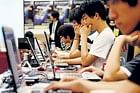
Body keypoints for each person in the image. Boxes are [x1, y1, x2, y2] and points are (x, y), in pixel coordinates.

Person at [45, 0, 140, 93]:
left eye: (85, 18)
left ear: (96, 16)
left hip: (100, 79)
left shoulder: (106, 35)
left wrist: (83, 36)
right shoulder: (98, 35)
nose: (111, 16)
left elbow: (85, 61)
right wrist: (79, 84)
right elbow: (130, 86)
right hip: (98, 77)